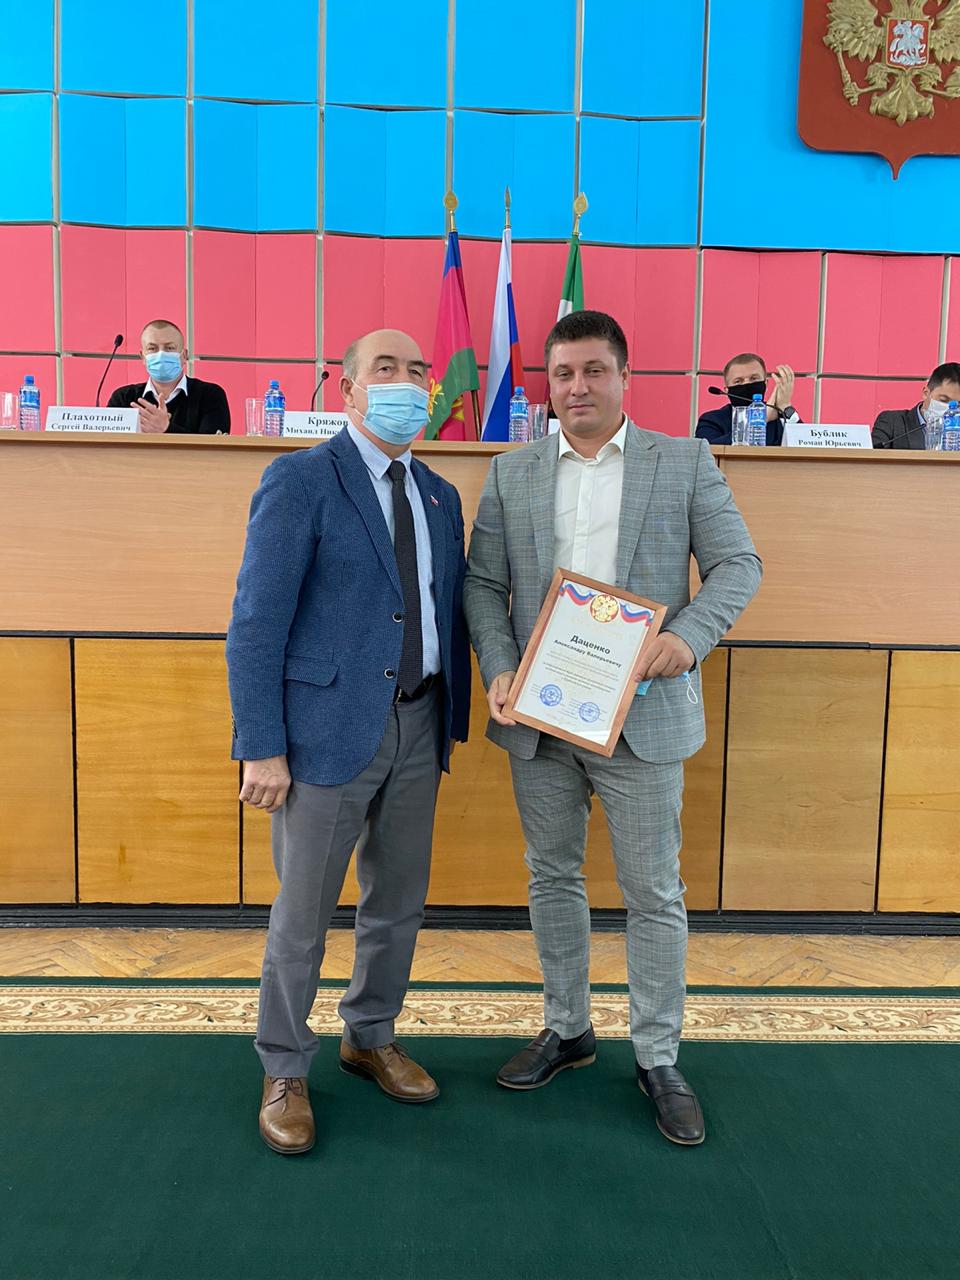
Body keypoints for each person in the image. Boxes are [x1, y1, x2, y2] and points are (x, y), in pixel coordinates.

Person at [463, 310, 761, 1147]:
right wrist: (498, 667)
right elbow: (482, 584)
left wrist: (686, 640)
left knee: (652, 891)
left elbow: (738, 565)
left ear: (625, 377)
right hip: (540, 716)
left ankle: (658, 1056)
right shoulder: (512, 472)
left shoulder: (684, 461)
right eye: (563, 374)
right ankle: (568, 1028)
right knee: (551, 875)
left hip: (645, 715)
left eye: (594, 370)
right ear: (548, 385)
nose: (578, 387)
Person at [226, 328, 471, 1155]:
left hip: (420, 722)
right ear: (349, 388)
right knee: (303, 913)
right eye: (385, 369)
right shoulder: (301, 479)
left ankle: (370, 1035)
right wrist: (261, 744)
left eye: (417, 371)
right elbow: (256, 622)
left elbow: (445, 609)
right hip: (323, 733)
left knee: (397, 901)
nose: (406, 382)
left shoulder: (439, 494)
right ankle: (284, 1066)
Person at [107, 319, 230, 434]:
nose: (161, 354)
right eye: (152, 348)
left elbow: (213, 447)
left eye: (170, 348)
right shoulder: (123, 398)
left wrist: (166, 429)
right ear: (143, 357)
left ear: (184, 356)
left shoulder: (210, 395)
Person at [695, 352, 800, 445]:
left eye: (753, 379)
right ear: (727, 390)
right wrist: (761, 419)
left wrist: (785, 407)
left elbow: (805, 448)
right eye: (738, 381)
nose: (747, 384)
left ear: (765, 384)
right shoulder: (712, 420)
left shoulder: (779, 417)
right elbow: (706, 451)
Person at [872, 361, 960, 449]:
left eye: (959, 404)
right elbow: (872, 455)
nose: (951, 409)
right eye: (943, 400)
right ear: (926, 393)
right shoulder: (892, 422)